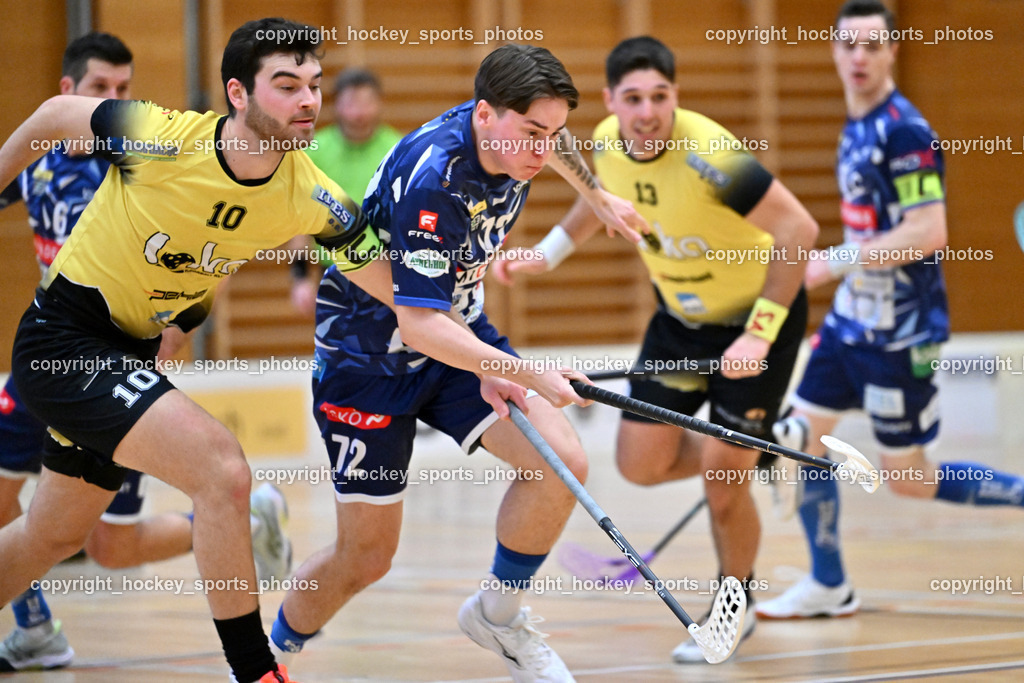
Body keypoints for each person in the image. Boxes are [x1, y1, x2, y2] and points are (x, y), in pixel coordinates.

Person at [0, 17, 398, 683]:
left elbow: (392, 289)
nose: (307, 101)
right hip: (60, 342)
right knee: (223, 468)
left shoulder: (312, 196)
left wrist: (492, 360)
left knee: (54, 536)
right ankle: (257, 673)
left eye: (314, 85)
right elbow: (53, 113)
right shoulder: (161, 137)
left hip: (127, 355)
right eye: (286, 85)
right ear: (238, 94)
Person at [268, 44, 646, 682]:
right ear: (485, 115)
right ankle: (265, 660)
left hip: (456, 331)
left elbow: (559, 143)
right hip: (369, 362)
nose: (542, 148)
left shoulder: (518, 135)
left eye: (550, 134)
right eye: (531, 133)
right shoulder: (436, 183)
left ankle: (497, 617)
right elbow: (416, 325)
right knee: (364, 557)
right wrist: (526, 372)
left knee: (560, 461)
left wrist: (599, 198)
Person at [492, 36, 819, 662]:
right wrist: (547, 254)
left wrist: (760, 331)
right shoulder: (608, 141)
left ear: (676, 97)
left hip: (757, 320)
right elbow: (601, 200)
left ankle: (734, 605)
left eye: (661, 97)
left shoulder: (710, 154)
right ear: (612, 101)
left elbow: (798, 229)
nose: (648, 112)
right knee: (641, 463)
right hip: (678, 320)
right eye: (634, 98)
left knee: (725, 482)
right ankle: (773, 448)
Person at [756, 0, 1024, 620]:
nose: (858, 57)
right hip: (853, 324)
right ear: (833, 50)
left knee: (907, 477)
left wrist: (835, 261)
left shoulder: (906, 132)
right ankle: (829, 584)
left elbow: (930, 232)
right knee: (802, 439)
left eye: (872, 45)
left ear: (891, 51)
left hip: (904, 335)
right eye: (848, 44)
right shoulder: (858, 125)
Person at [288, 68, 403, 314]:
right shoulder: (313, 151)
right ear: (336, 105)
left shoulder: (399, 149)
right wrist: (300, 278)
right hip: (332, 271)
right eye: (351, 103)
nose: (359, 112)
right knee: (339, 349)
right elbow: (299, 221)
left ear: (379, 104)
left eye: (366, 102)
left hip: (388, 268)